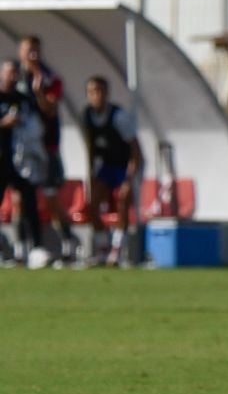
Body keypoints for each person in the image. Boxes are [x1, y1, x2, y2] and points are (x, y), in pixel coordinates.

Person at [17, 36, 75, 260]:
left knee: (51, 197)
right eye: (27, 50)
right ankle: (22, 249)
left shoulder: (50, 78)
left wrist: (39, 91)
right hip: (21, 149)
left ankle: (69, 245)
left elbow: (50, 110)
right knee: (19, 197)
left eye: (35, 51)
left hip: (46, 146)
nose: (31, 55)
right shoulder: (14, 77)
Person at [81, 75, 143, 267]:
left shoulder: (119, 117)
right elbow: (91, 147)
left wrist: (128, 180)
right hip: (105, 166)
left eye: (100, 91)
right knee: (92, 205)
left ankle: (118, 250)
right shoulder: (87, 115)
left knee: (123, 201)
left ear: (106, 94)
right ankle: (102, 249)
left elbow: (136, 151)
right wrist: (91, 174)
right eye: (92, 92)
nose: (96, 96)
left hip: (125, 164)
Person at [0, 59, 48, 264]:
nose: (12, 76)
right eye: (8, 72)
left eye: (15, 72)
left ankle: (36, 248)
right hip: (0, 160)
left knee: (29, 204)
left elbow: (41, 120)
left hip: (21, 162)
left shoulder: (23, 99)